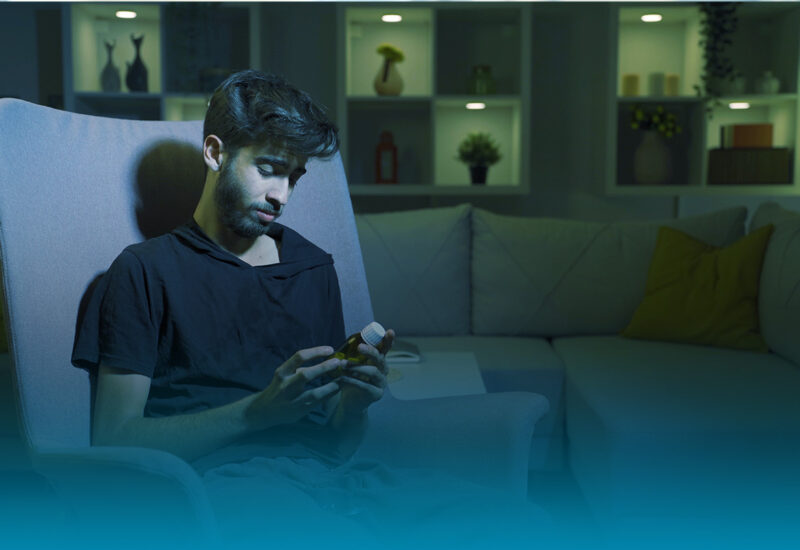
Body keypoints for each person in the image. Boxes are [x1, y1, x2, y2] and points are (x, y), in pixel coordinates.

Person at [71, 70, 549, 549]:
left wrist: (354, 405)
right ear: (215, 153)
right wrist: (256, 413)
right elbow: (115, 438)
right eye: (268, 169)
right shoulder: (143, 271)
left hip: (337, 483)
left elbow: (335, 446)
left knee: (523, 523)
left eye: (294, 178)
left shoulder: (312, 267)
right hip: (229, 490)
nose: (281, 196)